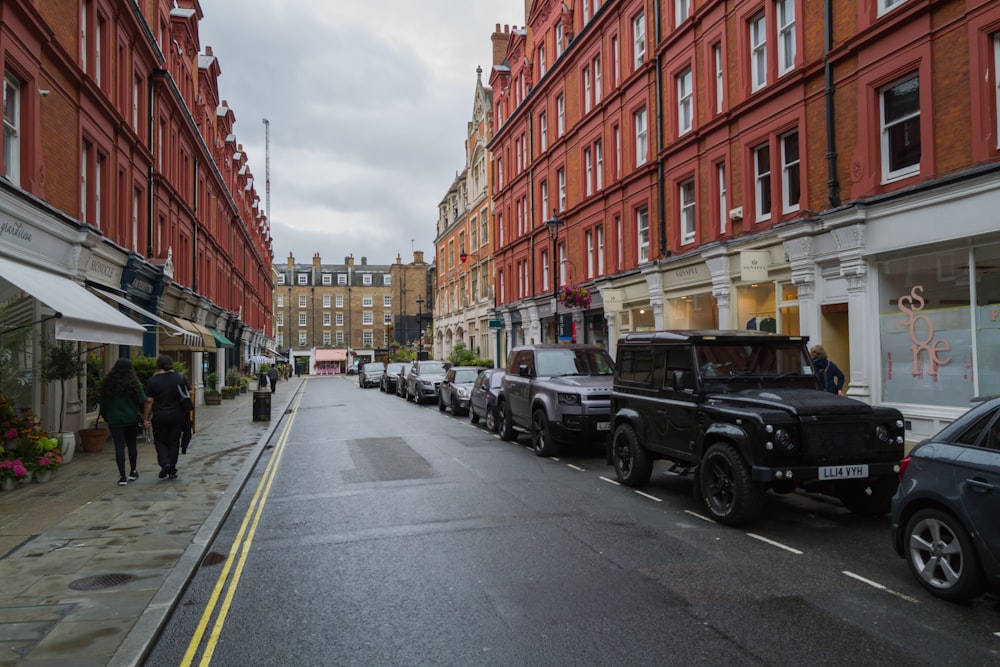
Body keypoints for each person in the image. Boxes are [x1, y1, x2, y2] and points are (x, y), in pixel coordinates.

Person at [99, 358, 146, 487]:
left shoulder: (108, 383)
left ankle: (122, 476)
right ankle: (133, 470)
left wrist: (106, 415)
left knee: (119, 446)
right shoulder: (134, 383)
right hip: (130, 419)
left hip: (114, 420)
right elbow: (142, 400)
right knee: (131, 444)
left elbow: (103, 403)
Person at [143, 355, 188, 480]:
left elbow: (149, 401)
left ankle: (165, 463)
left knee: (160, 441)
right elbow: (190, 393)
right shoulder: (180, 377)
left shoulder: (153, 380)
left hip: (160, 416)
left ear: (158, 365)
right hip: (178, 415)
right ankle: (172, 470)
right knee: (174, 441)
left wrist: (145, 418)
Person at [179, 372, 194, 455]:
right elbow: (190, 392)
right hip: (182, 409)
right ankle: (184, 447)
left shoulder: (157, 378)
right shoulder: (181, 377)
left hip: (164, 411)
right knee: (187, 429)